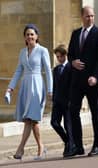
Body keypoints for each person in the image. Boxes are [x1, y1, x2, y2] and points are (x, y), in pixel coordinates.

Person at [5, 24, 53, 160]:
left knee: (31, 120)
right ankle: (41, 147)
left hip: (37, 86)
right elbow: (18, 71)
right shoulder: (22, 52)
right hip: (26, 87)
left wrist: (50, 90)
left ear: (37, 36)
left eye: (32, 34)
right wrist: (10, 88)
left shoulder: (43, 50)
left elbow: (48, 71)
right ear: (24, 38)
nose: (30, 36)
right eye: (27, 34)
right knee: (30, 120)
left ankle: (21, 149)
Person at [67, 6, 98, 157]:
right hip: (77, 81)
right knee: (72, 112)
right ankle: (78, 146)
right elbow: (70, 54)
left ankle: (97, 146)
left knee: (95, 113)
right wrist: (72, 63)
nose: (90, 18)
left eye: (92, 16)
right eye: (87, 16)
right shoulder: (76, 33)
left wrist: (95, 76)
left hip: (92, 81)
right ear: (82, 17)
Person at [51, 44, 74, 157]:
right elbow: (55, 86)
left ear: (65, 55)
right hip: (57, 101)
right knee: (54, 122)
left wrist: (71, 99)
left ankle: (70, 146)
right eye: (57, 57)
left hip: (67, 101)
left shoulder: (70, 67)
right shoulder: (55, 70)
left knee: (67, 124)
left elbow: (72, 86)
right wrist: (54, 99)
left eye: (60, 56)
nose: (59, 59)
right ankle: (68, 141)